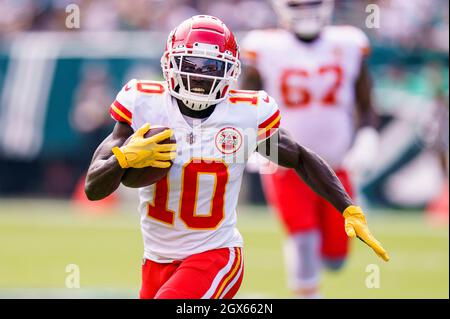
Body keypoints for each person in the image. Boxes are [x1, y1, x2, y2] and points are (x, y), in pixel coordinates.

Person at [85, 15, 388, 299]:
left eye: (211, 67)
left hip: (216, 255)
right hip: (156, 259)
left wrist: (348, 209)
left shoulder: (244, 117)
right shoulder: (145, 105)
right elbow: (93, 189)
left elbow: (299, 158)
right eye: (191, 64)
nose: (199, 76)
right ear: (170, 64)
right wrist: (122, 159)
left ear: (230, 70)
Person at [240, 0, 380, 298]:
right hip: (285, 162)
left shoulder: (349, 42)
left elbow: (366, 102)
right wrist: (250, 141)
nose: (305, 9)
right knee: (302, 237)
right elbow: (245, 100)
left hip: (336, 164)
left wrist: (368, 135)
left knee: (336, 258)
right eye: (297, 3)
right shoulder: (263, 46)